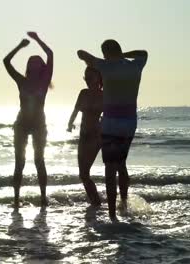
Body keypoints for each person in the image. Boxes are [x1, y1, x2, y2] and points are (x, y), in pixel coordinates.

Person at [77, 39, 148, 221]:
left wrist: (97, 60)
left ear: (106, 53)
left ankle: (112, 215)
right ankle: (123, 203)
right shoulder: (135, 67)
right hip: (129, 124)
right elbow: (143, 53)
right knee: (121, 165)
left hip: (110, 124)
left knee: (110, 168)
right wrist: (122, 56)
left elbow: (81, 53)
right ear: (119, 50)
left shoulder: (105, 66)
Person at [3, 32, 53, 207]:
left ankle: (43, 197)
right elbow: (6, 62)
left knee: (39, 160)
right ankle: (16, 199)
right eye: (31, 61)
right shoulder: (21, 81)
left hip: (39, 124)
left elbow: (50, 54)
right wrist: (19, 46)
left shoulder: (45, 81)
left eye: (37, 61)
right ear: (29, 66)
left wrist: (38, 39)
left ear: (42, 67)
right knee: (20, 162)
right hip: (22, 124)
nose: (33, 62)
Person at [67, 67, 103, 206]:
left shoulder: (104, 95)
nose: (88, 80)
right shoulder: (83, 93)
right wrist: (70, 123)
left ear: (99, 78)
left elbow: (108, 115)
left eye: (91, 77)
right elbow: (76, 110)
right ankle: (96, 202)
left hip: (96, 137)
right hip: (84, 135)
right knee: (83, 174)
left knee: (85, 173)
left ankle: (97, 203)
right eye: (86, 78)